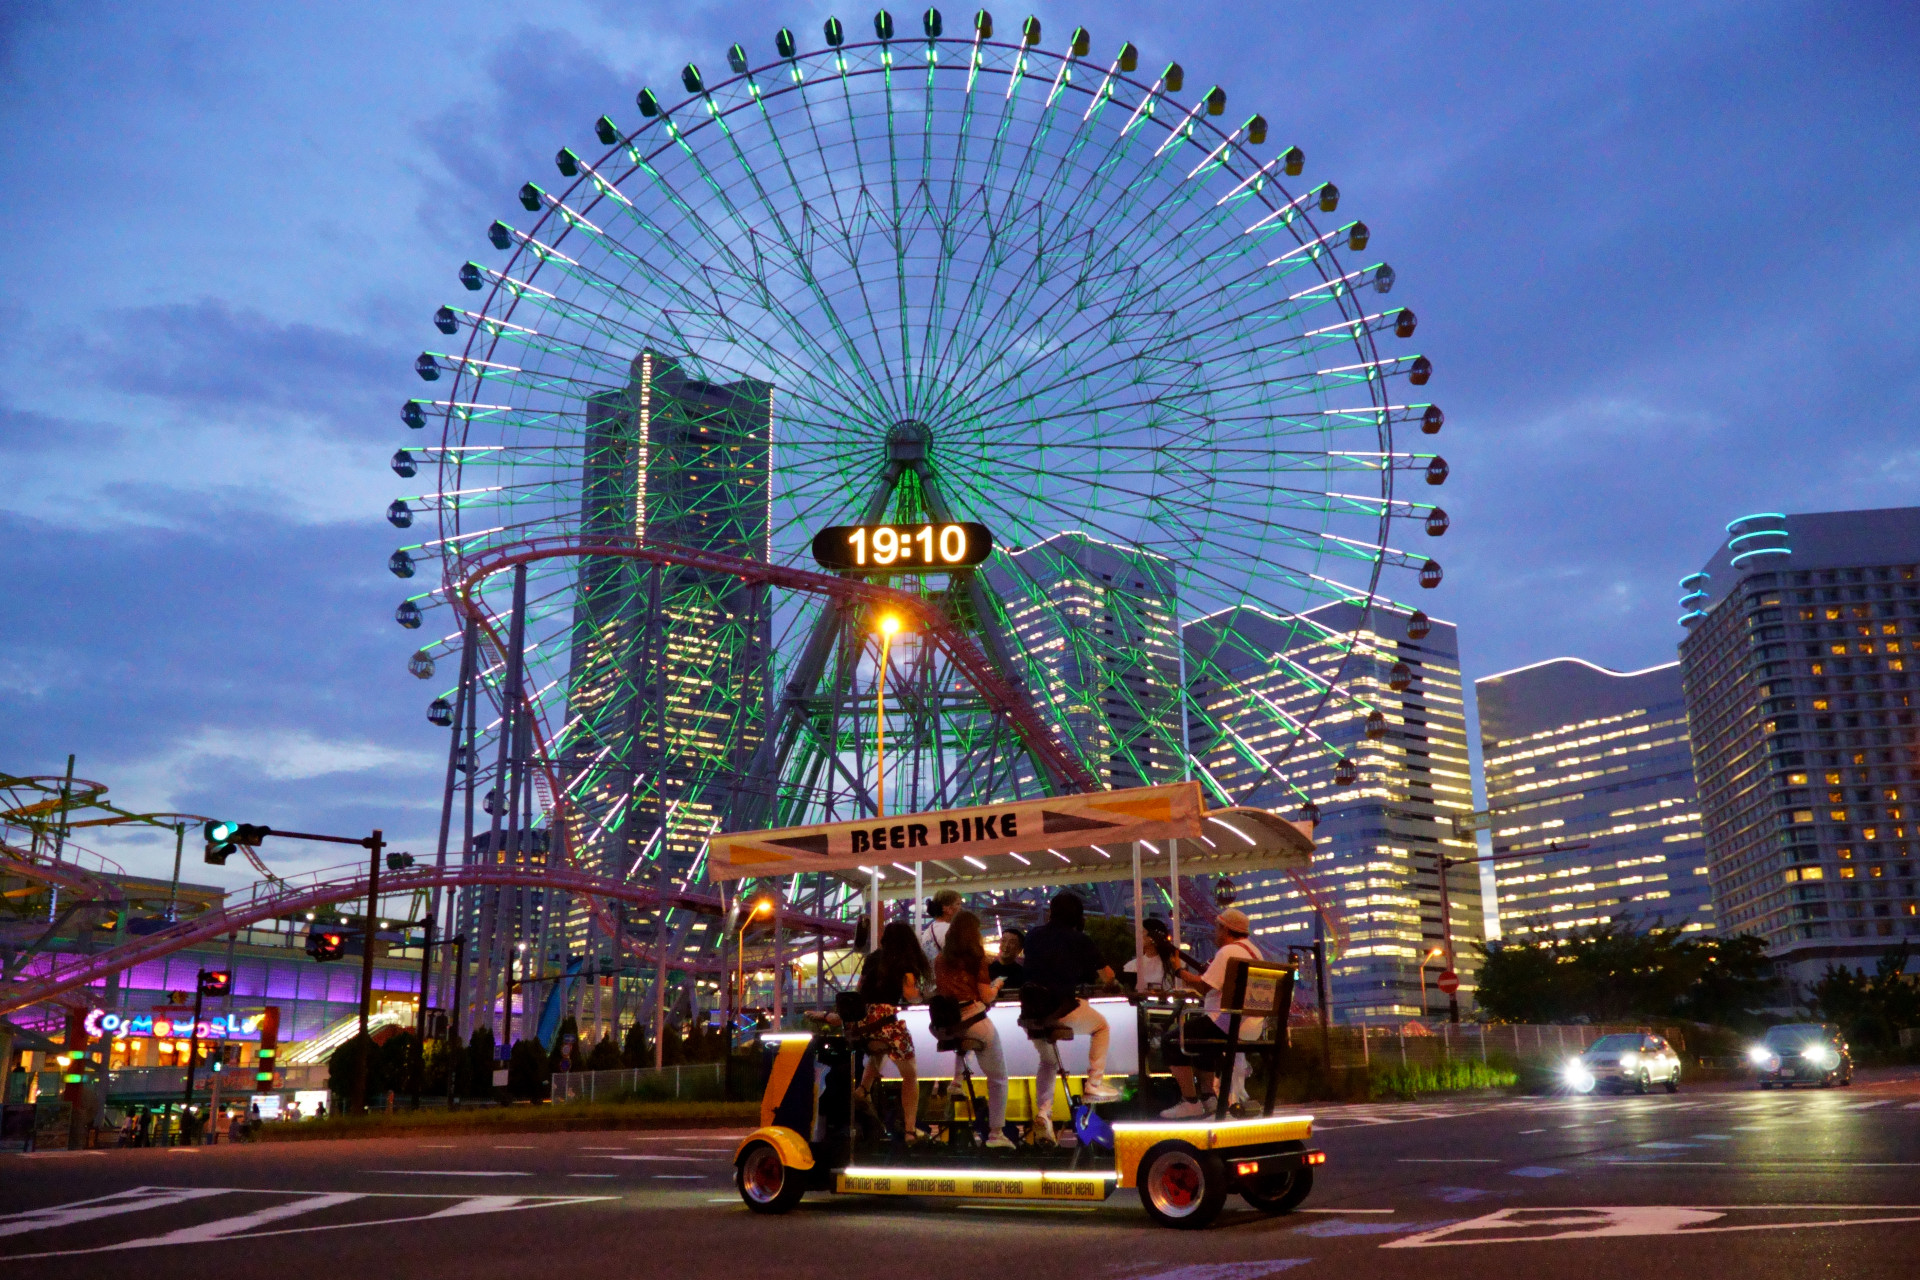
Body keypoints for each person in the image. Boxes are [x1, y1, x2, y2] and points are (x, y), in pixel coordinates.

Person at [1022, 891, 1123, 1142]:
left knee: (1048, 1062)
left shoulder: (1033, 936)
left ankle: (1044, 1114)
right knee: (1101, 1026)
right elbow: (1108, 976)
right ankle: (1094, 1085)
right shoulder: (1079, 939)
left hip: (1032, 1012)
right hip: (1061, 1010)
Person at [1159, 908, 1267, 1118]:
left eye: (1217, 928)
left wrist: (1178, 970)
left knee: (1171, 1041)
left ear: (1225, 929)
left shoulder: (1228, 952)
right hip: (1251, 1025)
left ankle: (1190, 1102)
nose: (1214, 933)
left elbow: (1203, 987)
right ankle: (1209, 1099)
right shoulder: (1254, 952)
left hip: (1226, 1022)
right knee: (1202, 1042)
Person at [932, 911, 1014, 1150]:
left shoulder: (939, 959)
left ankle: (957, 1080)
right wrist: (997, 984)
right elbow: (986, 997)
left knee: (963, 1040)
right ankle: (996, 1133)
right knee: (998, 1078)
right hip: (974, 1020)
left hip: (947, 1027)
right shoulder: (976, 958)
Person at [854, 920, 929, 1144]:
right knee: (910, 1075)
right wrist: (923, 995)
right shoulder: (905, 963)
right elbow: (911, 995)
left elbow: (859, 989)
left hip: (864, 1022)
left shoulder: (873, 958)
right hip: (886, 1019)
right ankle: (910, 1130)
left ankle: (863, 1090)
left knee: (879, 1050)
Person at [1122, 917, 1179, 990]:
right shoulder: (1131, 966)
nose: (1138, 936)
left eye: (1142, 932)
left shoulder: (1172, 964)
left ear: (1153, 936)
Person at [919, 889, 963, 961]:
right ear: (947, 908)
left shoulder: (928, 931)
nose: (960, 908)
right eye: (958, 904)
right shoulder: (950, 930)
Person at [987, 927, 1025, 992]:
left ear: (1019, 949)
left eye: (1012, 942)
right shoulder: (986, 970)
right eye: (1003, 941)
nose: (1006, 945)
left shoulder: (1022, 974)